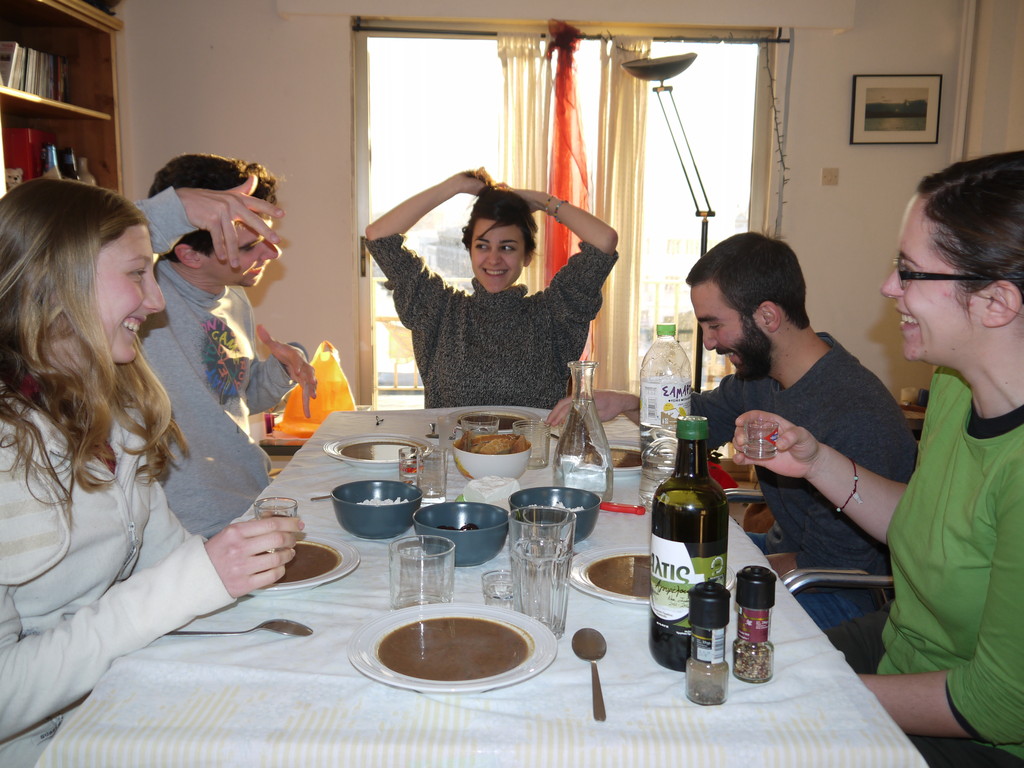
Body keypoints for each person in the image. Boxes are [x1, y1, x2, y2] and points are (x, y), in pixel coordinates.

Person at [731, 151, 1024, 766]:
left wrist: (823, 693)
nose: (889, 287)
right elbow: (922, 526)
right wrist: (815, 462)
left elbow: (997, 703)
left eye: (910, 272)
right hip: (902, 645)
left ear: (997, 302)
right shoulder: (954, 386)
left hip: (979, 734)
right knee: (719, 668)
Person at [0, 179, 302, 768]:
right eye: (138, 274)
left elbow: (168, 557)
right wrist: (195, 578)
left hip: (114, 700)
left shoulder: (117, 414)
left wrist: (257, 604)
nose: (156, 300)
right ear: (55, 282)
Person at [549, 233, 918, 630]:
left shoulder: (855, 413)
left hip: (834, 590)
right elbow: (698, 420)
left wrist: (715, 577)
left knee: (665, 610)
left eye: (715, 325)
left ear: (768, 316)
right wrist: (629, 403)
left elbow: (833, 565)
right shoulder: (762, 378)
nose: (709, 343)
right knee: (634, 555)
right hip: (786, 555)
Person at [139, 154, 317, 538]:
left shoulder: (234, 298)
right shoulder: (142, 295)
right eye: (251, 246)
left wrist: (280, 370)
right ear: (188, 254)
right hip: (190, 526)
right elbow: (89, 246)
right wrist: (176, 208)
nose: (272, 253)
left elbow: (233, 397)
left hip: (247, 499)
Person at [364, 170, 618, 409]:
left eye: (507, 247)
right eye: (483, 246)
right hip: (450, 445)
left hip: (538, 445)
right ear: (470, 251)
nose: (494, 259)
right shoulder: (439, 310)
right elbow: (378, 236)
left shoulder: (555, 313)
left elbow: (604, 240)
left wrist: (541, 201)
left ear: (527, 256)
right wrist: (457, 186)